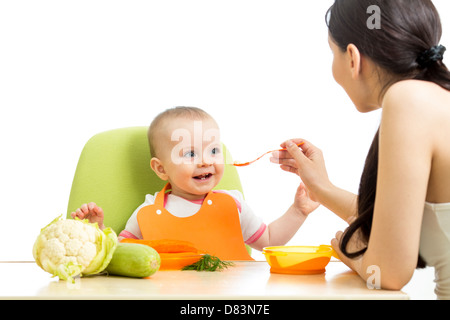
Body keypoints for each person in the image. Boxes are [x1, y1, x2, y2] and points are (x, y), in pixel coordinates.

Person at [271, 0, 450, 299]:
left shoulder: (409, 101)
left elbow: (389, 273)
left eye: (332, 53)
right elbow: (396, 222)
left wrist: (347, 249)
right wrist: (322, 188)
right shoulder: (434, 98)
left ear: (352, 57)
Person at [72, 107, 318, 257]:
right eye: (190, 154)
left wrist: (298, 211)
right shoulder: (146, 213)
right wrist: (96, 231)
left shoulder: (234, 204)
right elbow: (119, 255)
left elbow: (270, 241)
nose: (205, 162)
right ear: (161, 168)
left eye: (213, 151)